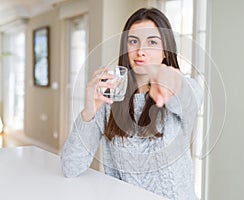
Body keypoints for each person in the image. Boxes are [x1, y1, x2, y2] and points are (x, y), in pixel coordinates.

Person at [61, 7, 202, 200]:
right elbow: (70, 167)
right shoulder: (111, 97)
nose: (140, 51)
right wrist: (89, 110)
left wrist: (169, 82)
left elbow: (183, 93)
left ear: (165, 51)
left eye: (152, 42)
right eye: (133, 41)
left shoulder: (186, 89)